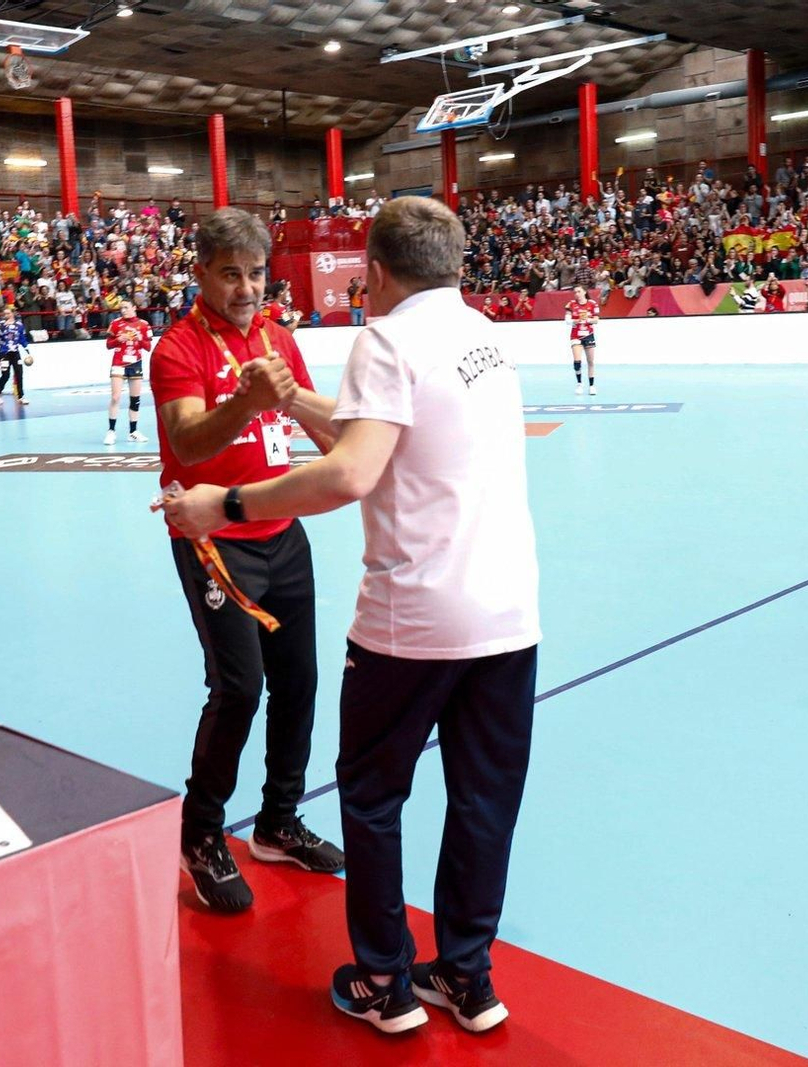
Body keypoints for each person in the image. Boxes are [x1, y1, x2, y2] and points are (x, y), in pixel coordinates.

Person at [162, 196, 538, 1036]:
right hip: (510, 613)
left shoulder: (388, 338)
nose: (252, 287)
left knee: (372, 796)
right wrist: (293, 400)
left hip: (415, 617)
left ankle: (382, 979)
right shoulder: (484, 337)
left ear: (371, 271)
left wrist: (224, 503)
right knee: (483, 798)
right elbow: (379, 432)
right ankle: (467, 978)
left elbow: (349, 473)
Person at [148, 207, 344, 915]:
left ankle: (277, 821)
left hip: (282, 533)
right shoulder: (177, 349)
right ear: (201, 273)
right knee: (240, 687)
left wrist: (360, 455)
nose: (246, 287)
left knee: (301, 680)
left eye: (256, 273)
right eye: (230, 273)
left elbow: (323, 432)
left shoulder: (280, 339)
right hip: (214, 542)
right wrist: (247, 400)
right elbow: (191, 443)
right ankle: (200, 833)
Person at [104, 298, 152, 444]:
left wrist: (140, 339)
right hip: (119, 362)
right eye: (121, 308)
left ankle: (133, 431)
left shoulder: (143, 325)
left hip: (135, 363)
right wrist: (119, 339)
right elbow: (108, 345)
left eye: (126, 307)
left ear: (134, 307)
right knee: (116, 397)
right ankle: (111, 431)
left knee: (135, 399)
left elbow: (148, 347)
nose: (123, 310)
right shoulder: (116, 323)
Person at [564, 283, 599, 395]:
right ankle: (579, 384)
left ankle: (592, 385)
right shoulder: (571, 304)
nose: (577, 294)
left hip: (588, 334)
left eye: (579, 291)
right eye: (575, 292)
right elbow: (567, 320)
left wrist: (587, 319)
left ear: (584, 292)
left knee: (590, 361)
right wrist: (576, 320)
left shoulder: (592, 304)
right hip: (576, 335)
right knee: (577, 361)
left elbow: (596, 320)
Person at [0, 305, 30, 406]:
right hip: (4, 353)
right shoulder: (0, 324)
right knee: (6, 375)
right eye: (5, 314)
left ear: (13, 313)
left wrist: (26, 348)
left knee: (19, 373)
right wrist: (3, 326)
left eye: (8, 313)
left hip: (15, 352)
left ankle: (21, 397)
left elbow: (22, 338)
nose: (6, 315)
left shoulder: (19, 325)